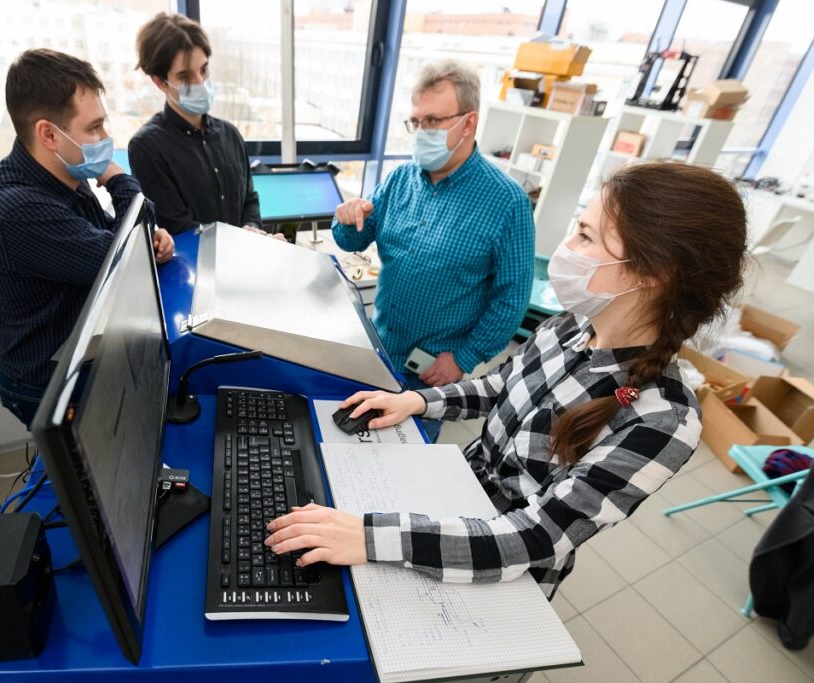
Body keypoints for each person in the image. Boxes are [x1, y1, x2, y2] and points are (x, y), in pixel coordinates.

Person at [266, 162, 749, 599]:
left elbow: (537, 535)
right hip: (449, 498)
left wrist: (369, 537)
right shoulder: (568, 327)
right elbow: (500, 386)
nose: (566, 249)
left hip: (504, 570)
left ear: (652, 272)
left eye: (586, 236)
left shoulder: (663, 418)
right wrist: (417, 402)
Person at [0, 49, 175, 429]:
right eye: (93, 129)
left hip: (84, 348)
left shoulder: (62, 174)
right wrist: (116, 178)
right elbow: (126, 264)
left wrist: (147, 237)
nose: (105, 139)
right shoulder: (16, 210)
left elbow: (121, 238)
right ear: (49, 134)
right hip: (50, 382)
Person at [331, 60, 534, 441]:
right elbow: (352, 239)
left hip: (430, 371)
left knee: (406, 455)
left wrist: (464, 358)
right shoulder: (401, 179)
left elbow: (511, 300)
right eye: (416, 121)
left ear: (468, 123)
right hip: (378, 348)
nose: (422, 132)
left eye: (433, 121)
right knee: (354, 442)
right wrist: (346, 217)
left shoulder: (507, 203)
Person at [129, 13, 273, 238]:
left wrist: (252, 230)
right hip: (197, 260)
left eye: (204, 70)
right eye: (185, 76)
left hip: (242, 252)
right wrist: (241, 243)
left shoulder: (230, 134)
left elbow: (249, 200)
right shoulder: (147, 147)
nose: (200, 82)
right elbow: (179, 227)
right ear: (160, 82)